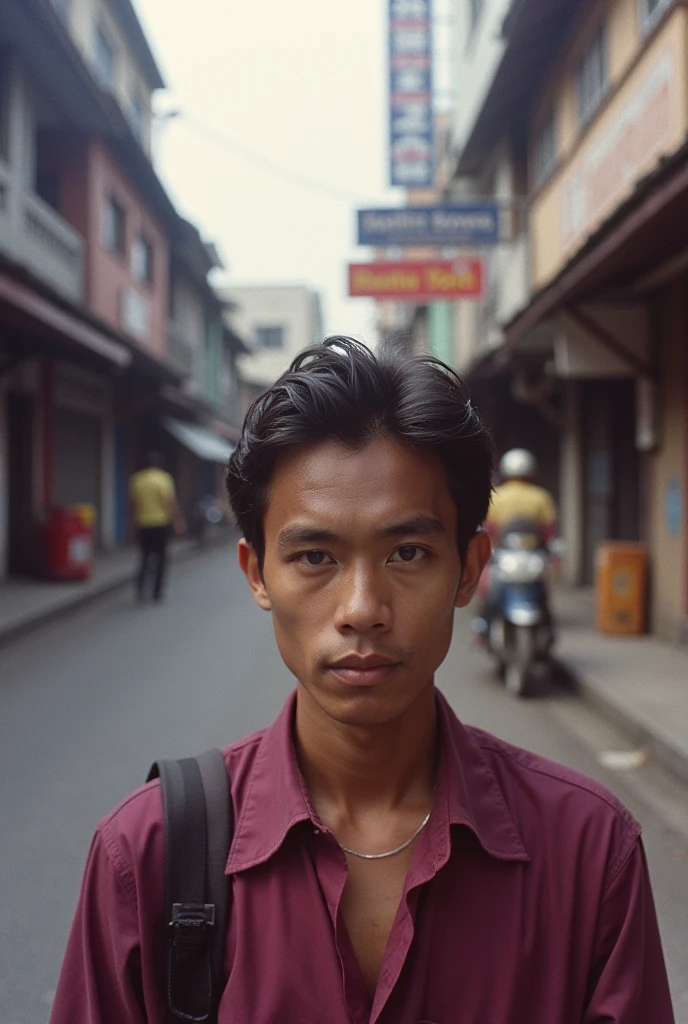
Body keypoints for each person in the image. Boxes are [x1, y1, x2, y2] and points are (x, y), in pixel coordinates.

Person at [51, 338, 674, 1023]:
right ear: (257, 573)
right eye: (315, 555)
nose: (361, 611)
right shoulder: (145, 858)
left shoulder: (588, 853)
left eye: (407, 552)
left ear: (469, 569)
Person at [128, 451, 184, 603]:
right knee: (161, 558)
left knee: (144, 557)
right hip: (160, 524)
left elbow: (133, 504)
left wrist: (134, 524)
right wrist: (178, 522)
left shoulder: (136, 480)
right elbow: (170, 502)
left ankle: (140, 589)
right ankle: (156, 592)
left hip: (143, 524)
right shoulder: (163, 479)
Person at [487, 447, 558, 546]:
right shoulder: (541, 496)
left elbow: (490, 528)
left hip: (503, 550)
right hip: (535, 552)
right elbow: (549, 529)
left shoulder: (496, 495)